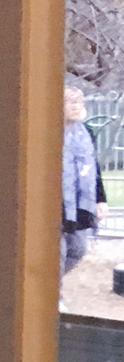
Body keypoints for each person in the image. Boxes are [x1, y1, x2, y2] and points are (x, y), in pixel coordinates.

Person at [64, 85, 108, 278]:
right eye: (71, 101)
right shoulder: (48, 132)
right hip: (57, 202)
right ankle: (53, 295)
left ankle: (53, 287)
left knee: (78, 250)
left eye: (79, 101)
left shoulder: (86, 132)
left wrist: (100, 200)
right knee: (56, 253)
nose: (77, 106)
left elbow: (93, 167)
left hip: (80, 203)